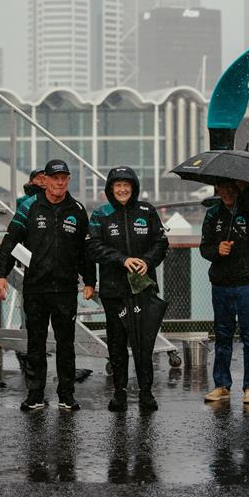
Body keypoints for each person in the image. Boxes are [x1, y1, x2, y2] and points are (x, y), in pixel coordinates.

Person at [0, 159, 96, 411]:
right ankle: (35, 395)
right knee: (36, 345)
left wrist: (90, 280)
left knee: (66, 344)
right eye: (54, 178)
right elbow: (10, 241)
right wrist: (0, 275)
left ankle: (66, 395)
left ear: (68, 180)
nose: (59, 183)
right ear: (46, 181)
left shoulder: (77, 209)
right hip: (35, 288)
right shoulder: (29, 207)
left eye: (64, 178)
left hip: (64, 290)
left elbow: (85, 250)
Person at [87, 166, 168, 412]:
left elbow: (161, 242)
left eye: (127, 185)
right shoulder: (101, 214)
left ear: (133, 188)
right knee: (117, 343)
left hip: (143, 290)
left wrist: (147, 261)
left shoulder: (147, 211)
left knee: (144, 344)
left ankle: (146, 392)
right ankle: (119, 392)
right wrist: (121, 259)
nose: (122, 190)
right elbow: (93, 248)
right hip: (113, 291)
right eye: (117, 186)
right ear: (110, 189)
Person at [199, 179, 249, 405]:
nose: (227, 192)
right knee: (222, 336)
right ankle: (221, 385)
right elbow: (204, 248)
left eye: (232, 188)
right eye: (222, 187)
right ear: (217, 189)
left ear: (238, 188)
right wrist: (217, 250)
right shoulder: (212, 214)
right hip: (221, 283)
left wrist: (247, 189)